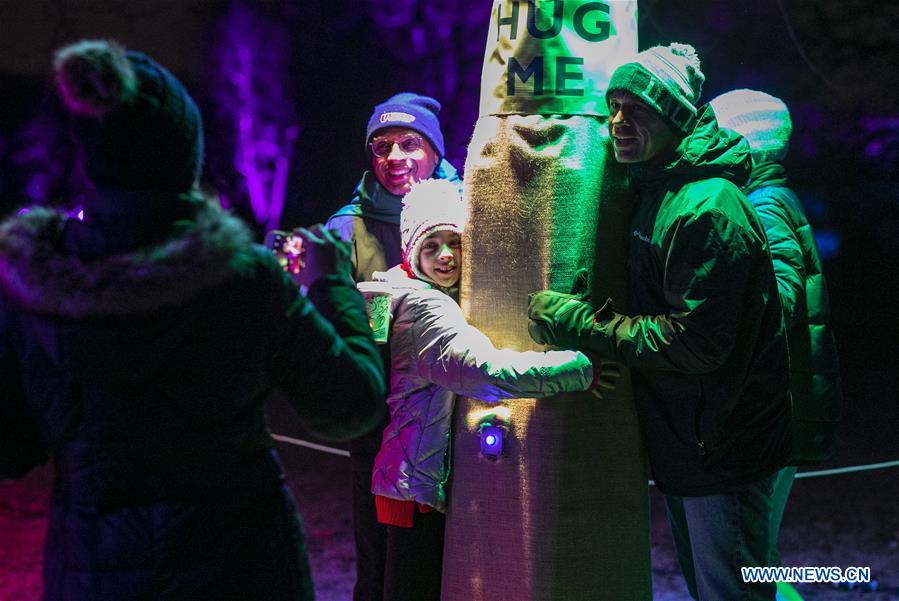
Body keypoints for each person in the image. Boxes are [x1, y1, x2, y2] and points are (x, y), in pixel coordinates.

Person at [0, 40, 384, 601]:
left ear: (90, 155)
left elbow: (11, 449)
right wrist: (331, 282)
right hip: (241, 567)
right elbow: (349, 407)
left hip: (94, 572)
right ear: (185, 150)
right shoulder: (240, 277)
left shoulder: (36, 286)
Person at [527, 44, 792, 601]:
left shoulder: (706, 207)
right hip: (694, 445)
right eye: (614, 106)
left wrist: (580, 324)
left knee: (733, 592)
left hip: (723, 451)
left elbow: (693, 343)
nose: (619, 122)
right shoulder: (660, 187)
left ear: (675, 115)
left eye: (638, 110)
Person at [364, 178, 617, 601]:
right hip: (416, 488)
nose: (446, 256)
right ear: (412, 251)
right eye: (432, 245)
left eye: (454, 242)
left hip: (408, 477)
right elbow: (487, 370)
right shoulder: (425, 308)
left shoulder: (408, 291)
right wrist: (576, 369)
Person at [325, 92, 460, 601]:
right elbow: (331, 327)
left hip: (459, 414)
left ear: (433, 148)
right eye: (380, 147)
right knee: (382, 566)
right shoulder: (346, 228)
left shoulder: (470, 207)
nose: (394, 158)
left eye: (409, 143)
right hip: (381, 425)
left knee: (453, 559)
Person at [710, 88, 843, 595]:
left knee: (749, 563)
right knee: (757, 559)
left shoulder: (763, 205)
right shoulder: (770, 198)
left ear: (745, 143)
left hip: (775, 412)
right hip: (783, 406)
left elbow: (782, 297)